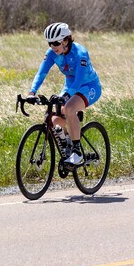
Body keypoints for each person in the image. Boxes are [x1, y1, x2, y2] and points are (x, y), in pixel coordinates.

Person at [27, 22, 101, 166]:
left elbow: (79, 80)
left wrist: (67, 96)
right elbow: (41, 72)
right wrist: (32, 92)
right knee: (54, 120)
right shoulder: (52, 54)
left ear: (66, 40)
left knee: (69, 108)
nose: (52, 47)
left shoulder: (80, 53)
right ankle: (68, 142)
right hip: (70, 87)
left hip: (88, 86)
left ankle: (77, 152)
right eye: (50, 43)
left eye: (56, 43)